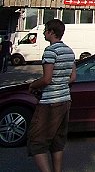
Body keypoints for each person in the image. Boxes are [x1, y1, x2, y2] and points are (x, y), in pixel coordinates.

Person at [27, 19, 76, 172]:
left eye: (45, 30)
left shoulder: (50, 51)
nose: (43, 33)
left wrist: (33, 85)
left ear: (52, 32)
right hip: (65, 100)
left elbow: (47, 79)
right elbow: (73, 77)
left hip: (50, 102)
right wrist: (61, 83)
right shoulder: (69, 51)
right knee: (57, 141)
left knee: (36, 141)